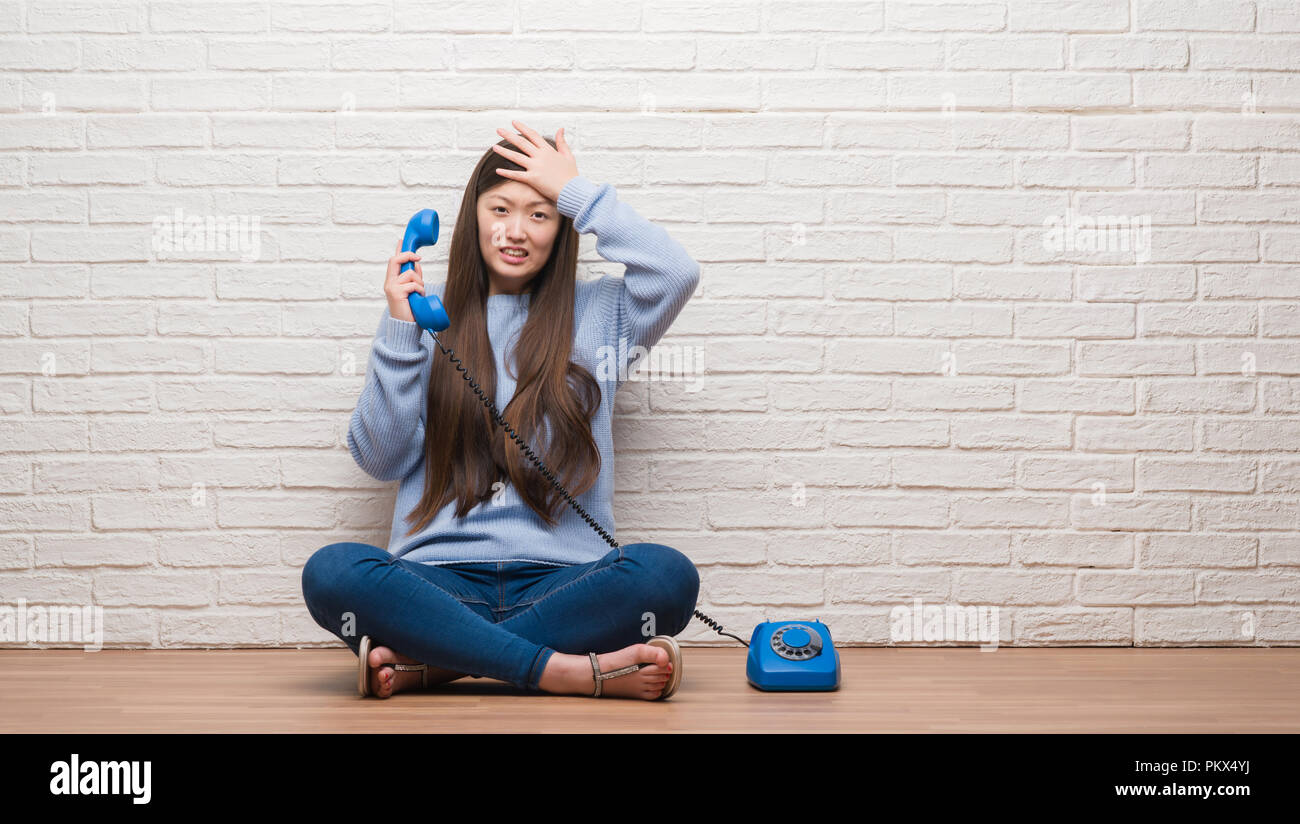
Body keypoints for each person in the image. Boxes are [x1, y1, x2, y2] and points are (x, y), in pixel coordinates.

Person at [301, 120, 702, 700]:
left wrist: (576, 190)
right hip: (438, 586)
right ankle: (560, 670)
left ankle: (439, 663)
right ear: (473, 218)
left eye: (540, 214)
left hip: (565, 585)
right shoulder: (422, 316)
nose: (516, 231)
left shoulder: (602, 314)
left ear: (562, 226)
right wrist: (398, 329)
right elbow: (379, 459)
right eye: (500, 210)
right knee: (333, 572)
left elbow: (676, 273)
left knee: (665, 576)